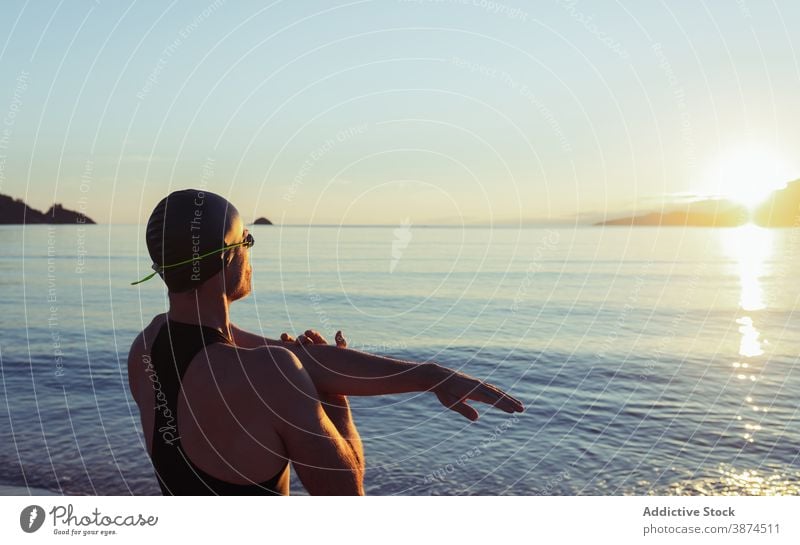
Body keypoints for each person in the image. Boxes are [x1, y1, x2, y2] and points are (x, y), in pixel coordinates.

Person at [127, 188, 524, 496]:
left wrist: (431, 376)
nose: (251, 255)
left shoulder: (146, 348)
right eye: (247, 241)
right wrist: (336, 404)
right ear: (228, 257)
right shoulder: (271, 376)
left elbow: (303, 362)